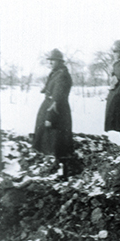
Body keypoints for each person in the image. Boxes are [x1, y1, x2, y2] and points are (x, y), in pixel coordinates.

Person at [33, 48, 74, 178]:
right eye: (49, 60)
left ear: (59, 61)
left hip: (56, 112)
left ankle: (62, 173)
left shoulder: (62, 75)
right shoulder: (56, 73)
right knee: (52, 142)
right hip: (51, 108)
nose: (50, 63)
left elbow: (58, 98)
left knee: (58, 144)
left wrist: (50, 117)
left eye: (53, 60)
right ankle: (56, 170)